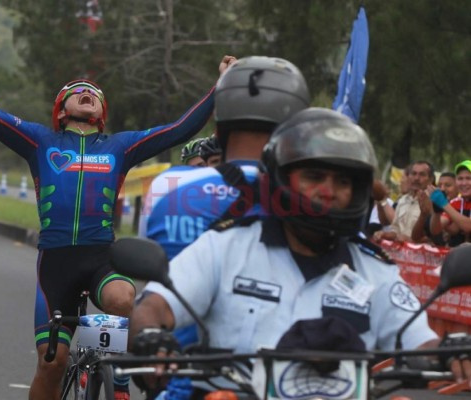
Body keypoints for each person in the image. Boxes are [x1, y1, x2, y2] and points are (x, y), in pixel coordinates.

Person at [0, 29, 236, 400]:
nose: (88, 92)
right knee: (52, 363)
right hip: (55, 264)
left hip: (101, 256)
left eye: (95, 94)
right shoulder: (41, 141)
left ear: (102, 113)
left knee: (123, 299)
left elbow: (179, 129)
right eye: (77, 91)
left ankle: (115, 375)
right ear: (61, 109)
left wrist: (221, 86)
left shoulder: (120, 146)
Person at [129, 109, 470, 396]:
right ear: (281, 179)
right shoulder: (225, 246)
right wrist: (150, 336)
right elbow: (153, 306)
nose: (329, 191)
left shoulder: (375, 269)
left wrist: (450, 351)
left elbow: (418, 342)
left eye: (343, 182)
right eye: (314, 176)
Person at [137, 55, 310, 353]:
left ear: (219, 127)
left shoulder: (168, 187)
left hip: (181, 364)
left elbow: (148, 266)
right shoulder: (317, 199)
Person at [373, 161, 435, 243]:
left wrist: (411, 240)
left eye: (422, 174)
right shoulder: (402, 201)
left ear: (430, 180)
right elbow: (396, 232)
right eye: (413, 174)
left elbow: (435, 237)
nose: (416, 178)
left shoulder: (435, 203)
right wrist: (383, 234)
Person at [430, 161, 471, 247]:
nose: (464, 183)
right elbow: (436, 230)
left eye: (468, 178)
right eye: (460, 179)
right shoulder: (456, 202)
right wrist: (436, 210)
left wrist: (443, 203)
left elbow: (468, 226)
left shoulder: (448, 204)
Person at [411, 172, 458, 245]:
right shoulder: (433, 205)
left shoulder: (461, 207)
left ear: (458, 188)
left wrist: (434, 211)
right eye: (439, 185)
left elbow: (450, 230)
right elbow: (415, 237)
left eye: (448, 185)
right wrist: (423, 214)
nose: (442, 189)